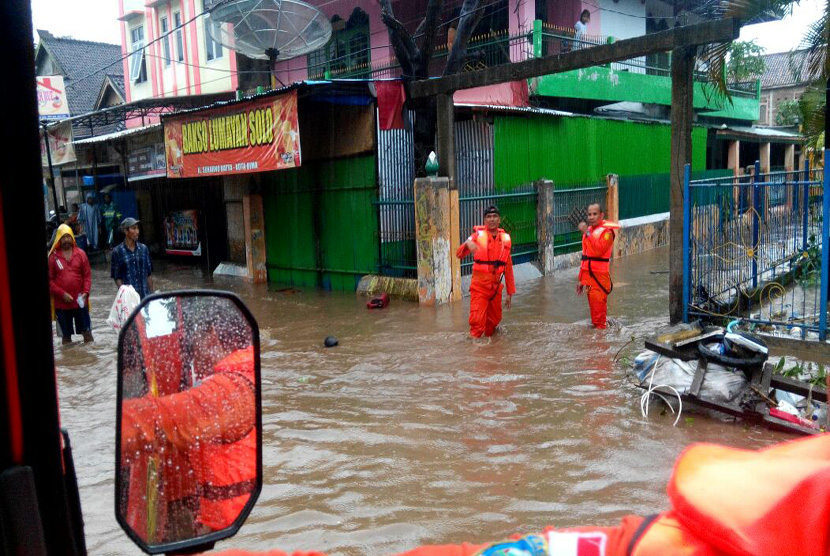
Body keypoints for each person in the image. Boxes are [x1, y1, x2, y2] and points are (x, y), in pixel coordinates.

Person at [120, 299, 256, 540]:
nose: (193, 358)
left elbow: (158, 421)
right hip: (229, 526)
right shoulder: (243, 373)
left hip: (235, 532)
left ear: (211, 336)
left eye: (193, 347)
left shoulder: (232, 390)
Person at [455, 205, 515, 338]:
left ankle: (492, 355)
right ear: (484, 220)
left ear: (499, 220)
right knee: (477, 324)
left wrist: (510, 293)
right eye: (488, 217)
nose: (492, 219)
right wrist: (466, 244)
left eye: (494, 217)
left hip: (495, 289)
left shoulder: (504, 240)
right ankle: (472, 353)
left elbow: (508, 267)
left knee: (493, 324)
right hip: (480, 287)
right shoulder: (476, 236)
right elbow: (458, 254)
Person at [577, 203, 620, 329]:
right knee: (595, 317)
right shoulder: (589, 231)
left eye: (594, 214)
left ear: (601, 215)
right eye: (589, 214)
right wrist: (581, 280)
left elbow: (599, 250)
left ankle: (600, 346)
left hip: (599, 279)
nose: (591, 217)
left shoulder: (607, 232)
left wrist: (587, 233)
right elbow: (585, 257)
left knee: (599, 320)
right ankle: (595, 344)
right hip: (589, 279)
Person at [48, 224, 93, 344]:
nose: (66, 240)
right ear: (58, 239)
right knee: (66, 338)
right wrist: (62, 294)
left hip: (80, 302)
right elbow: (50, 281)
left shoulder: (81, 254)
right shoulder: (53, 258)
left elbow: (87, 276)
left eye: (68, 236)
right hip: (61, 305)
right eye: (63, 237)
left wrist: (85, 293)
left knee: (87, 334)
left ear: (72, 238)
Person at [111, 217, 154, 299]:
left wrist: (152, 295)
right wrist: (124, 296)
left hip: (145, 298)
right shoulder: (117, 252)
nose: (137, 232)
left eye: (138, 228)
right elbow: (117, 277)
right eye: (133, 228)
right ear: (126, 231)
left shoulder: (144, 249)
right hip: (129, 300)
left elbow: (148, 274)